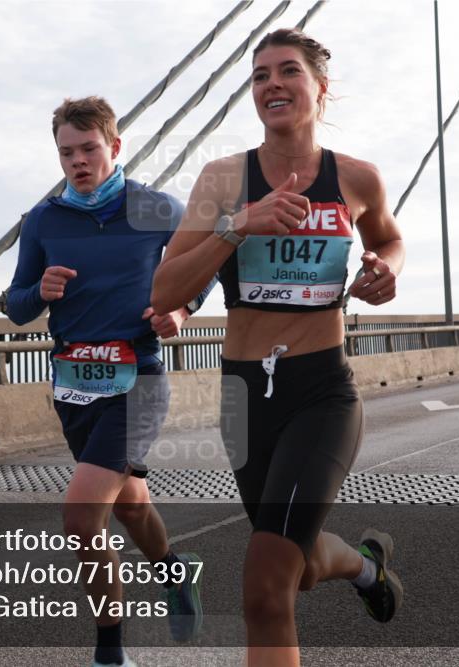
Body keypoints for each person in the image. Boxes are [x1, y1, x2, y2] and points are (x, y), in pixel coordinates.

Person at [150, 29, 405, 666]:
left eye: (288, 71)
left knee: (266, 587)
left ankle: (358, 568)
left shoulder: (357, 178)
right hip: (243, 398)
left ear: (320, 88)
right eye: (260, 75)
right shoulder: (223, 179)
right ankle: (366, 568)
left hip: (322, 392)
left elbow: (388, 239)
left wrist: (386, 269)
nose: (272, 84)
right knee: (297, 563)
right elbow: (165, 288)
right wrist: (237, 227)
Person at [6, 96, 212, 667]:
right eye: (66, 153)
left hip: (137, 380)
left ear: (115, 146)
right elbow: (16, 306)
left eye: (88, 149)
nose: (77, 161)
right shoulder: (43, 221)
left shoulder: (157, 208)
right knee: (129, 505)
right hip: (74, 385)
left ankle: (110, 652)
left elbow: (205, 268)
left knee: (81, 518)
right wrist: (39, 291)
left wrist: (182, 310)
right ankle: (174, 570)